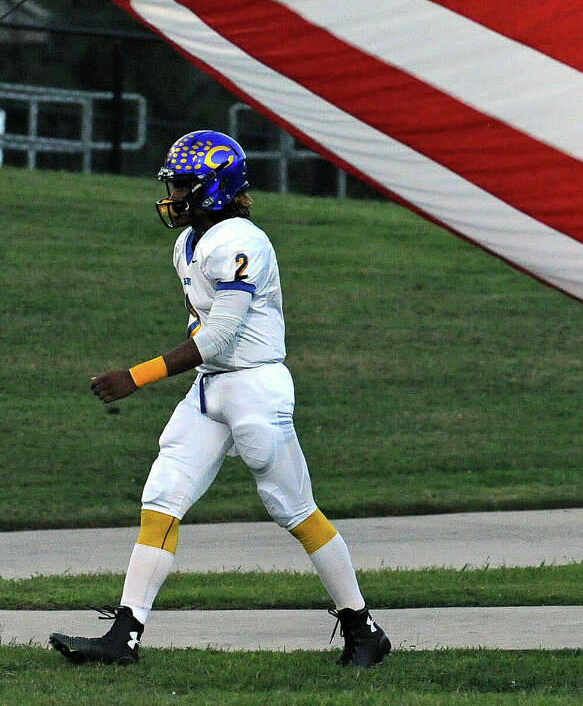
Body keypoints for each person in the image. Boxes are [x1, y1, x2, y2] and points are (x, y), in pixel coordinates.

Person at [49, 129, 391, 668]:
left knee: (294, 509)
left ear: (213, 188)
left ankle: (362, 627)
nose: (173, 195)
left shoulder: (239, 240)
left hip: (256, 386)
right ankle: (124, 636)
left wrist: (135, 377)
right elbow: (202, 337)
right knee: (162, 498)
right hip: (211, 388)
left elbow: (220, 336)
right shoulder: (186, 244)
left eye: (183, 184)